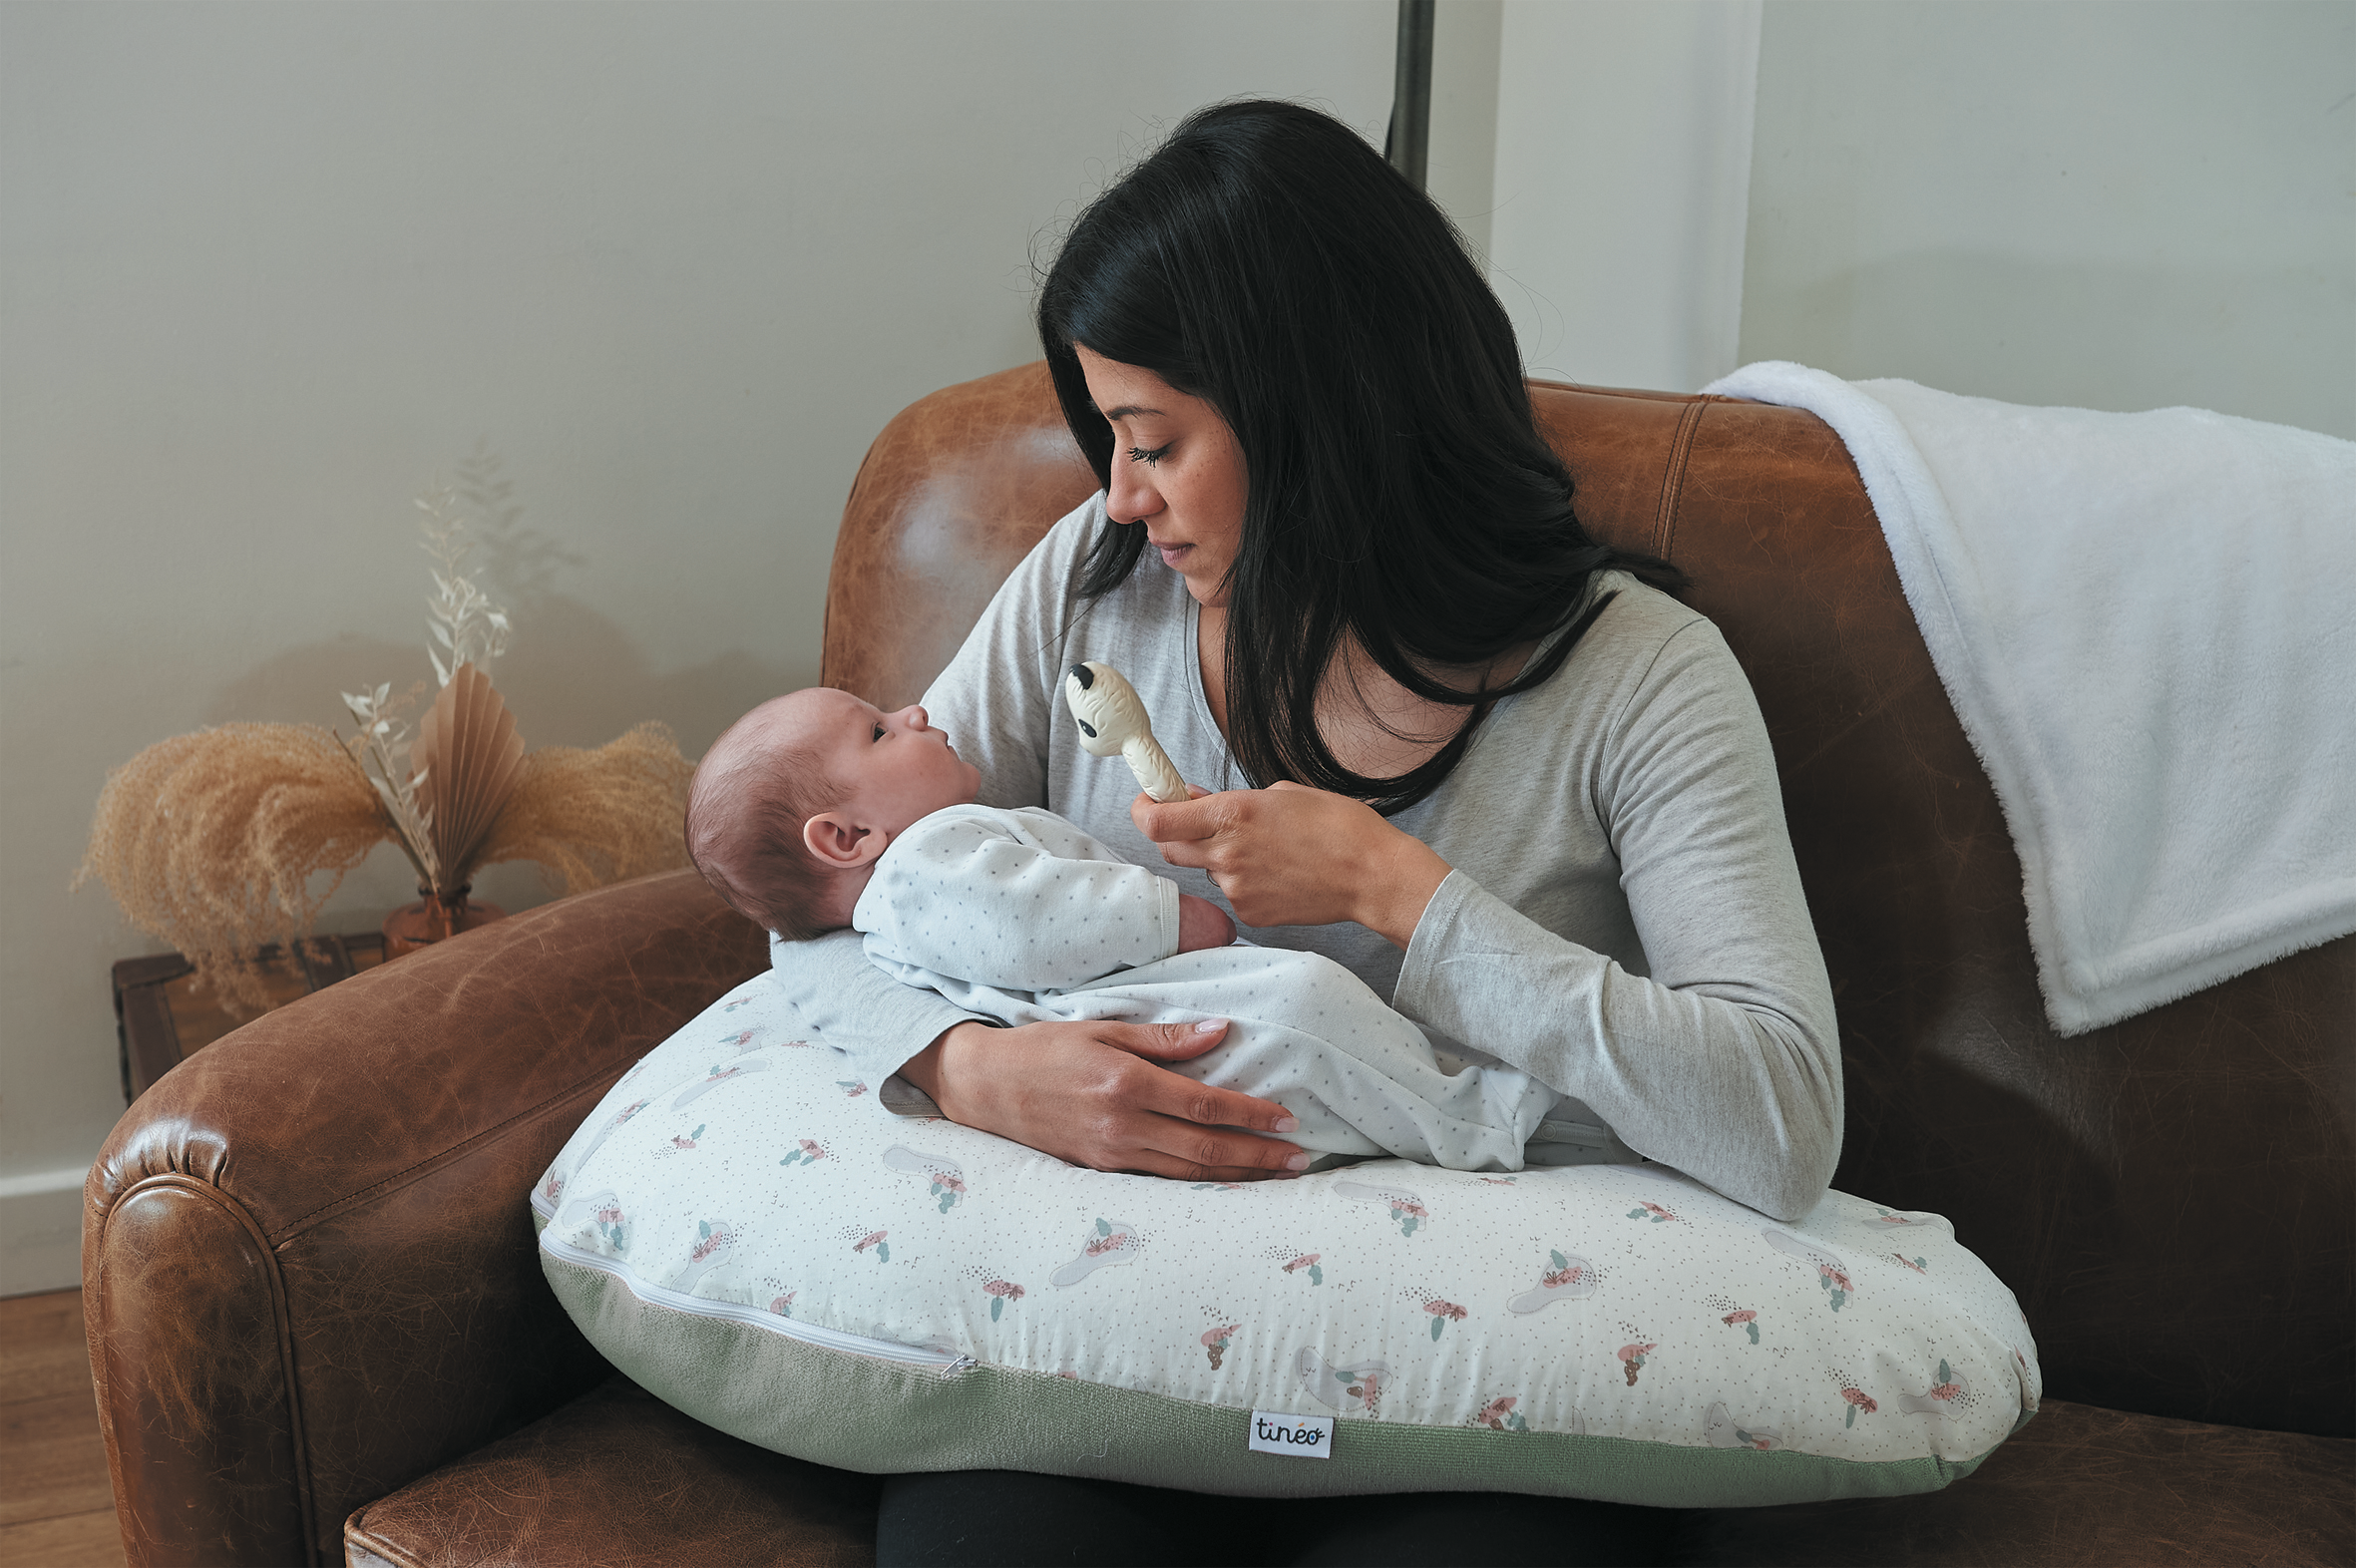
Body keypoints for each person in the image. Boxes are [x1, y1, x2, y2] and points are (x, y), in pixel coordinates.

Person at [771, 100, 1840, 1568]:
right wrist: (968, 1067)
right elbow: (820, 898)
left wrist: (1408, 898)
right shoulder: (1095, 591)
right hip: (1124, 1326)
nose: (1118, 495)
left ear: (1315, 411)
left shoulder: (1637, 680)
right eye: (1109, 441)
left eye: (1154, 443)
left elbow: (1780, 1122)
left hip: (1473, 1361)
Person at [685, 684, 1575, 1171]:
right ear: (844, 839)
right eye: (880, 732)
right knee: (1305, 1006)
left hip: (1152, 1043)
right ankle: (1474, 1121)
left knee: (1317, 1047)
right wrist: (1171, 918)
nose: (915, 710)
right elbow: (1035, 923)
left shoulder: (900, 882)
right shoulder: (924, 861)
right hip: (1165, 1024)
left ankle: (1425, 1118)